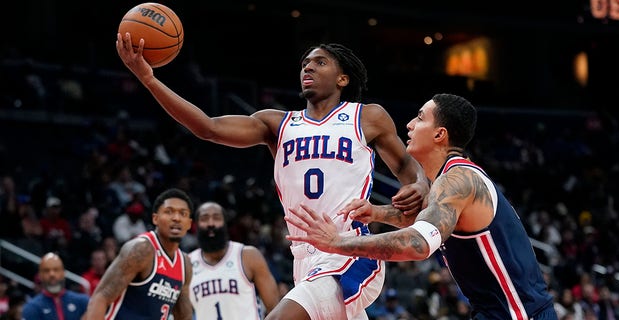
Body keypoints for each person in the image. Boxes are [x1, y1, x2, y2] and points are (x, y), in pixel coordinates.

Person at [116, 35, 428, 320]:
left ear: (342, 78)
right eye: (305, 63)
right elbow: (207, 128)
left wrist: (418, 183)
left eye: (320, 62)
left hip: (350, 250)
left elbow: (407, 167)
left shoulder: (367, 116)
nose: (308, 67)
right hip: (303, 259)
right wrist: (148, 79)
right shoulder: (277, 124)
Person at [286, 93, 559, 319]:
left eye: (419, 117)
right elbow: (423, 219)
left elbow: (417, 244)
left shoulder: (457, 181)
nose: (409, 124)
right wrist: (376, 213)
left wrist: (336, 244)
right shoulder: (446, 181)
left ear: (440, 134)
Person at [84, 188, 194, 320]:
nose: (176, 218)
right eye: (169, 212)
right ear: (155, 219)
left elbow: (184, 316)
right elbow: (100, 298)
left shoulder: (185, 264)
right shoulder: (141, 249)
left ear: (189, 223)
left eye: (183, 214)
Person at [189, 201, 280, 319]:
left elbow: (274, 307)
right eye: (204, 218)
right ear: (196, 224)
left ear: (225, 223)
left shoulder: (248, 255)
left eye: (216, 218)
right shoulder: (188, 263)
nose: (211, 223)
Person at [21, 252, 90, 320]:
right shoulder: (32, 307)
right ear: (40, 275)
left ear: (63, 273)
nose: (52, 274)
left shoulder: (83, 302)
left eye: (56, 269)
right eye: (46, 270)